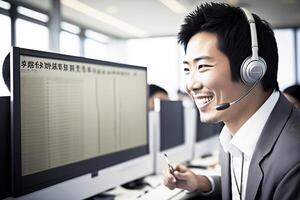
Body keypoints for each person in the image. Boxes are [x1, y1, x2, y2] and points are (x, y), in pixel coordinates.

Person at [162, 3, 300, 200]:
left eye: (202, 66)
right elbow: (247, 189)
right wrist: (203, 182)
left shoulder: (293, 160)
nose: (191, 85)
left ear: (252, 70)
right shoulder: (234, 132)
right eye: (187, 69)